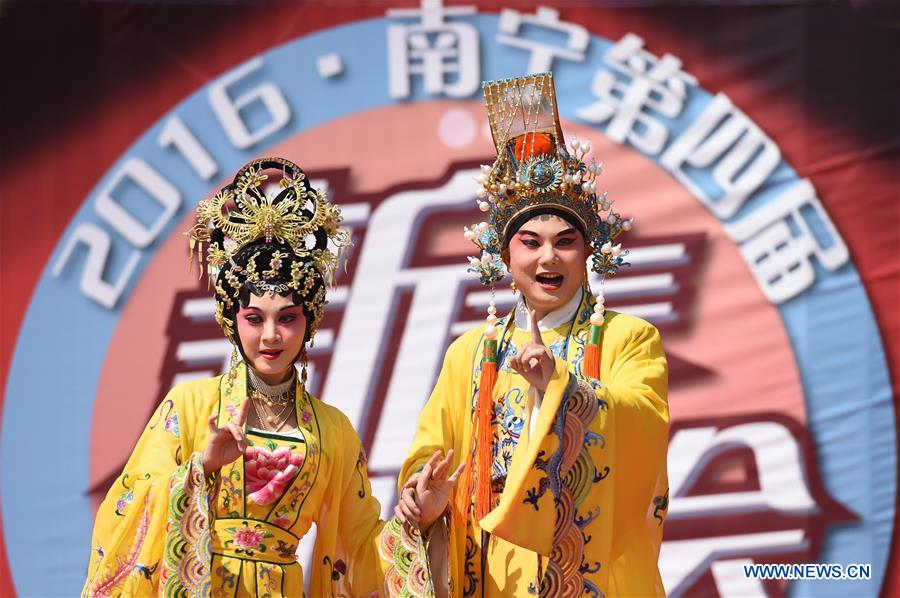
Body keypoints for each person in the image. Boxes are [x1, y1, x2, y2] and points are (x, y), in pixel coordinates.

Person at [83, 157, 460, 597]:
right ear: (232, 321)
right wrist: (200, 469)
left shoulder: (333, 430)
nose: (270, 336)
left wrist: (418, 520)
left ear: (309, 322)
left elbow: (361, 549)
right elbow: (126, 506)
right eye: (254, 318)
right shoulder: (189, 405)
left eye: (287, 318)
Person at [394, 74, 670, 596]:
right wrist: (424, 499)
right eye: (531, 242)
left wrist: (563, 386)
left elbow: (643, 423)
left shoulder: (629, 338)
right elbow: (434, 449)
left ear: (588, 252)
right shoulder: (471, 353)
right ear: (504, 256)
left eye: (565, 242)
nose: (549, 258)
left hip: (588, 562)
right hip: (493, 567)